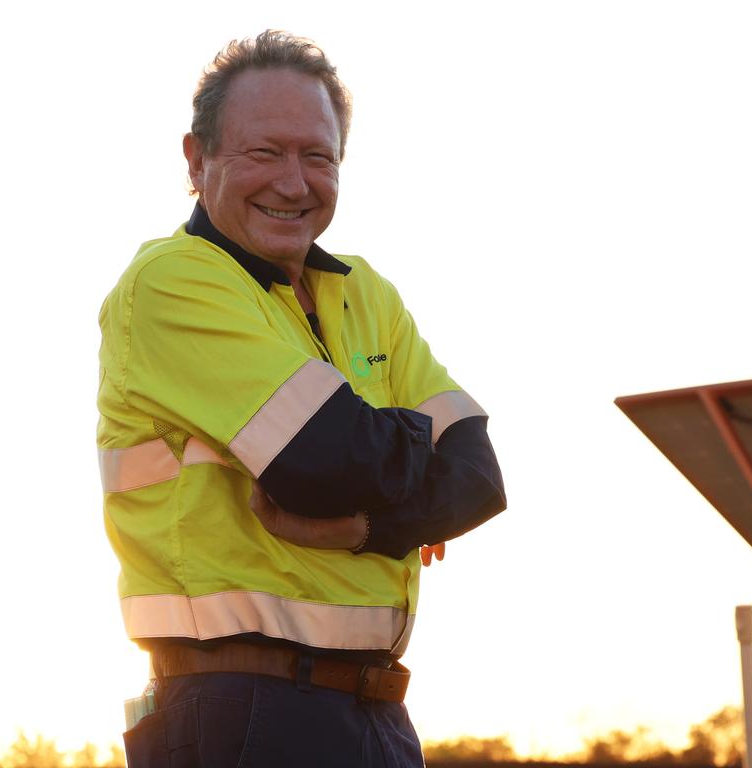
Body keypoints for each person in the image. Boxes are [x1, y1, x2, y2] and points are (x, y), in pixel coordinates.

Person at [96, 30, 506, 768]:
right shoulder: (170, 284)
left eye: (318, 157)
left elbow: (478, 479)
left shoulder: (365, 289)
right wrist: (409, 469)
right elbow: (324, 462)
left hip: (378, 714)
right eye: (265, 152)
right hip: (240, 711)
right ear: (196, 160)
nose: (294, 182)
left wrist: (358, 527)